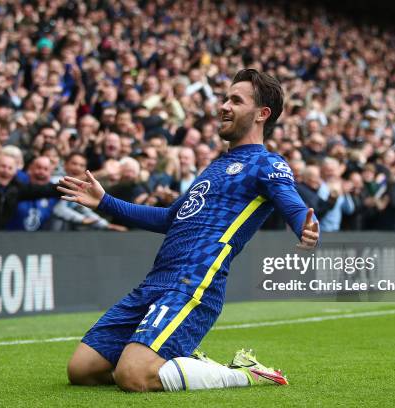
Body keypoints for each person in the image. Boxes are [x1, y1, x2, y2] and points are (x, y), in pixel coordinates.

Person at [58, 69, 319, 392]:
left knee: (133, 376)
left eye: (235, 101)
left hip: (196, 281)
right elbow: (171, 218)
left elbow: (293, 205)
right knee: (81, 371)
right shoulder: (215, 165)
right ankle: (180, 362)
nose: (223, 106)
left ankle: (247, 373)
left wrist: (305, 228)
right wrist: (104, 202)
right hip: (157, 279)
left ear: (261, 114)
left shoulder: (268, 163)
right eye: (225, 98)